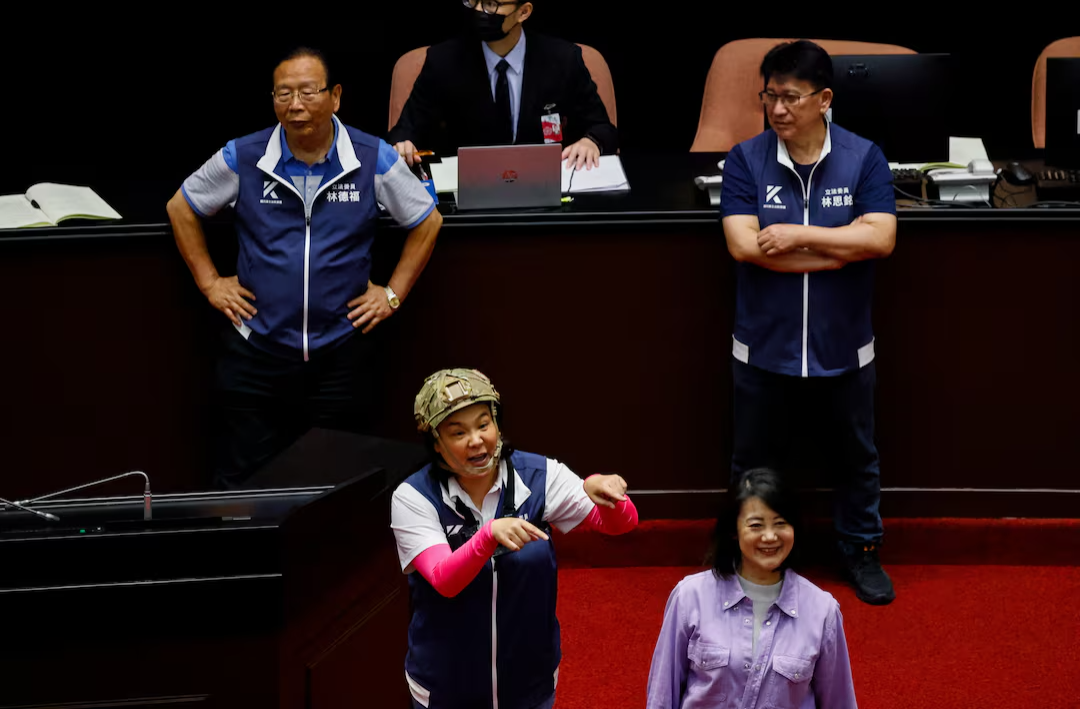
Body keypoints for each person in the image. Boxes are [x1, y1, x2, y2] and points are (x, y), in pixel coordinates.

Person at [166, 47, 443, 488]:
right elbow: (181, 207)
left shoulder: (370, 156)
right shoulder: (244, 155)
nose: (294, 105)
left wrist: (392, 293)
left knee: (342, 482)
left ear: (335, 97)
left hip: (340, 351)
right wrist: (209, 282)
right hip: (257, 350)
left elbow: (427, 219)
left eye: (308, 92)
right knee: (241, 480)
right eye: (283, 94)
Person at [719, 39, 898, 605]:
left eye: (790, 98)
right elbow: (745, 246)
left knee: (856, 458)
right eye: (769, 96)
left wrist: (799, 235)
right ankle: (748, 556)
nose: (777, 109)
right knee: (754, 462)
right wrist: (844, 248)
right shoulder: (746, 159)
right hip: (764, 347)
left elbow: (883, 238)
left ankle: (860, 549)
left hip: (843, 345)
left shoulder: (863, 156)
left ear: (824, 99)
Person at [390, 368, 638, 709]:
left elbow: (619, 525)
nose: (476, 440)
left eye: (483, 424)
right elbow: (444, 579)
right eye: (457, 432)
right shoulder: (413, 497)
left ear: (497, 424)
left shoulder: (538, 475)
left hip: (529, 683)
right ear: (436, 442)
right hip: (445, 686)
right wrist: (489, 534)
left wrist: (610, 495)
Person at [646, 467, 858, 708]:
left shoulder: (822, 611)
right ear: (733, 531)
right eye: (756, 525)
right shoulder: (690, 597)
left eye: (780, 523)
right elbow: (662, 694)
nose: (770, 537)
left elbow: (839, 701)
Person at [387, 1, 617, 171]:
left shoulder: (563, 59)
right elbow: (403, 132)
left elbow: (603, 128)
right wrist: (402, 145)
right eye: (473, 2)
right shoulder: (443, 61)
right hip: (467, 194)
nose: (478, 11)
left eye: (490, 5)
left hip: (544, 191)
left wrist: (591, 141)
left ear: (523, 12)